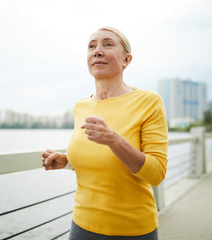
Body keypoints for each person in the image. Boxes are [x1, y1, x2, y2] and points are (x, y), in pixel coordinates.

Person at [42, 26, 168, 240]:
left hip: (132, 230)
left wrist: (113, 140)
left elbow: (156, 174)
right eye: (91, 46)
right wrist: (68, 161)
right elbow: (102, 162)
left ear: (126, 60)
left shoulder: (148, 101)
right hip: (81, 226)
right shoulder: (80, 106)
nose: (97, 51)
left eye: (107, 44)